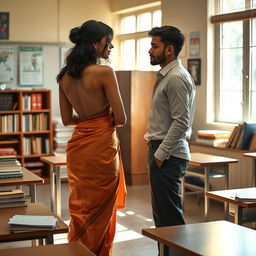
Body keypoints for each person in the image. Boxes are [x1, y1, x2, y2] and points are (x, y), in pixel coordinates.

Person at [57, 20, 127, 256]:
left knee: (81, 206)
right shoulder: (105, 72)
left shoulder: (64, 77)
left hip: (78, 148)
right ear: (97, 43)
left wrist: (87, 119)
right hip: (102, 148)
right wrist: (100, 119)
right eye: (109, 41)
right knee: (101, 209)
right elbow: (121, 118)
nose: (111, 46)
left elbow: (67, 120)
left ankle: (78, 249)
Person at [144, 26, 195, 256]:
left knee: (169, 218)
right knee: (162, 217)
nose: (150, 50)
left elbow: (181, 123)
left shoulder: (175, 78)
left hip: (168, 154)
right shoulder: (168, 74)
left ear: (169, 49)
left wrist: (160, 154)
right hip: (163, 151)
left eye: (155, 46)